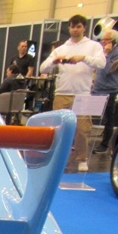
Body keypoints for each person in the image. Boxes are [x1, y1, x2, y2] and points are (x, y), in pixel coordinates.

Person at [40, 14, 106, 172]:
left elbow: (102, 63)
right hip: (62, 93)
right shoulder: (61, 48)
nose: (75, 30)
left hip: (83, 93)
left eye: (78, 26)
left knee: (83, 129)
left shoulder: (94, 46)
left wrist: (83, 58)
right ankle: (57, 158)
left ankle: (82, 159)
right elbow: (43, 68)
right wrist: (54, 61)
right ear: (69, 28)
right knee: (59, 129)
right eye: (72, 26)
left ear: (84, 28)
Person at [91, 30, 118, 153]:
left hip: (109, 90)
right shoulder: (101, 51)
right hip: (97, 88)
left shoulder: (117, 53)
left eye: (106, 39)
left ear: (113, 41)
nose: (103, 42)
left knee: (108, 119)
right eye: (102, 39)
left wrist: (107, 55)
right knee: (87, 116)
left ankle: (105, 145)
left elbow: (109, 69)